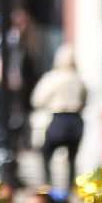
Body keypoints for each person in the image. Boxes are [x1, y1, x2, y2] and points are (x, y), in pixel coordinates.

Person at [30, 43, 86, 189]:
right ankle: (70, 188)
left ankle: (48, 185)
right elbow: (85, 100)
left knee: (46, 154)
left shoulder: (52, 78)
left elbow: (37, 99)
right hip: (76, 120)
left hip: (58, 120)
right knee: (72, 158)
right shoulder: (78, 79)